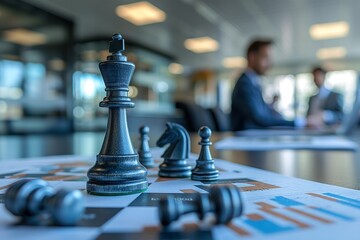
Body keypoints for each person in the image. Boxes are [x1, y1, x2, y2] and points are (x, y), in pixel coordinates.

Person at [231, 39, 297, 130]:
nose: (270, 63)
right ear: (252, 57)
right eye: (266, 57)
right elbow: (259, 119)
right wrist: (298, 123)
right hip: (246, 138)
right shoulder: (244, 84)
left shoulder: (252, 83)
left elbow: (265, 114)